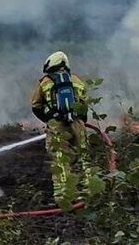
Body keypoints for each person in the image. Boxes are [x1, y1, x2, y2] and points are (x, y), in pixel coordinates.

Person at [29, 51, 89, 209]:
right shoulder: (76, 80)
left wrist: (50, 119)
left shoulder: (45, 82)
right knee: (83, 158)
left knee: (60, 160)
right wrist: (81, 120)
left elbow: (36, 105)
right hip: (78, 125)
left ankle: (64, 198)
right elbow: (84, 104)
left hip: (57, 128)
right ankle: (88, 193)